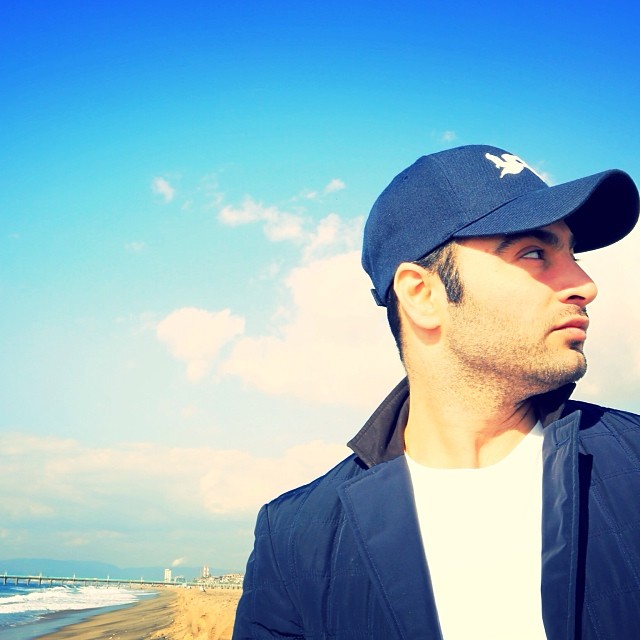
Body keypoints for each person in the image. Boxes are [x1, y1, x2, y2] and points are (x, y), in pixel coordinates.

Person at [232, 145, 640, 640]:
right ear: (422, 295)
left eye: (572, 254)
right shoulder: (295, 538)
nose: (585, 285)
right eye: (535, 253)